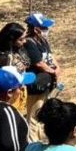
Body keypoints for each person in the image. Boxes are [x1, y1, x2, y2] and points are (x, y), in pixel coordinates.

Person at [24, 12, 61, 142]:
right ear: (36, 29)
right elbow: (39, 63)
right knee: (34, 114)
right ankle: (32, 142)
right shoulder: (29, 42)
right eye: (44, 27)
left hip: (46, 82)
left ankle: (42, 138)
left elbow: (50, 57)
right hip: (36, 84)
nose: (46, 30)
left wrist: (57, 68)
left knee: (43, 112)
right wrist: (53, 71)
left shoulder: (43, 41)